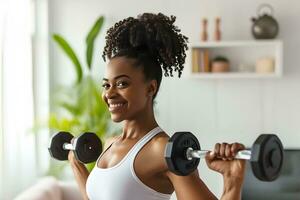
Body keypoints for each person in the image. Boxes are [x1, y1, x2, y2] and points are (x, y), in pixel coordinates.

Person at [68, 13, 246, 200]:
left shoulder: (163, 150)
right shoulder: (110, 143)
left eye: (122, 84)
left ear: (151, 88)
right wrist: (75, 164)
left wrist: (232, 181)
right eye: (106, 85)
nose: (110, 93)